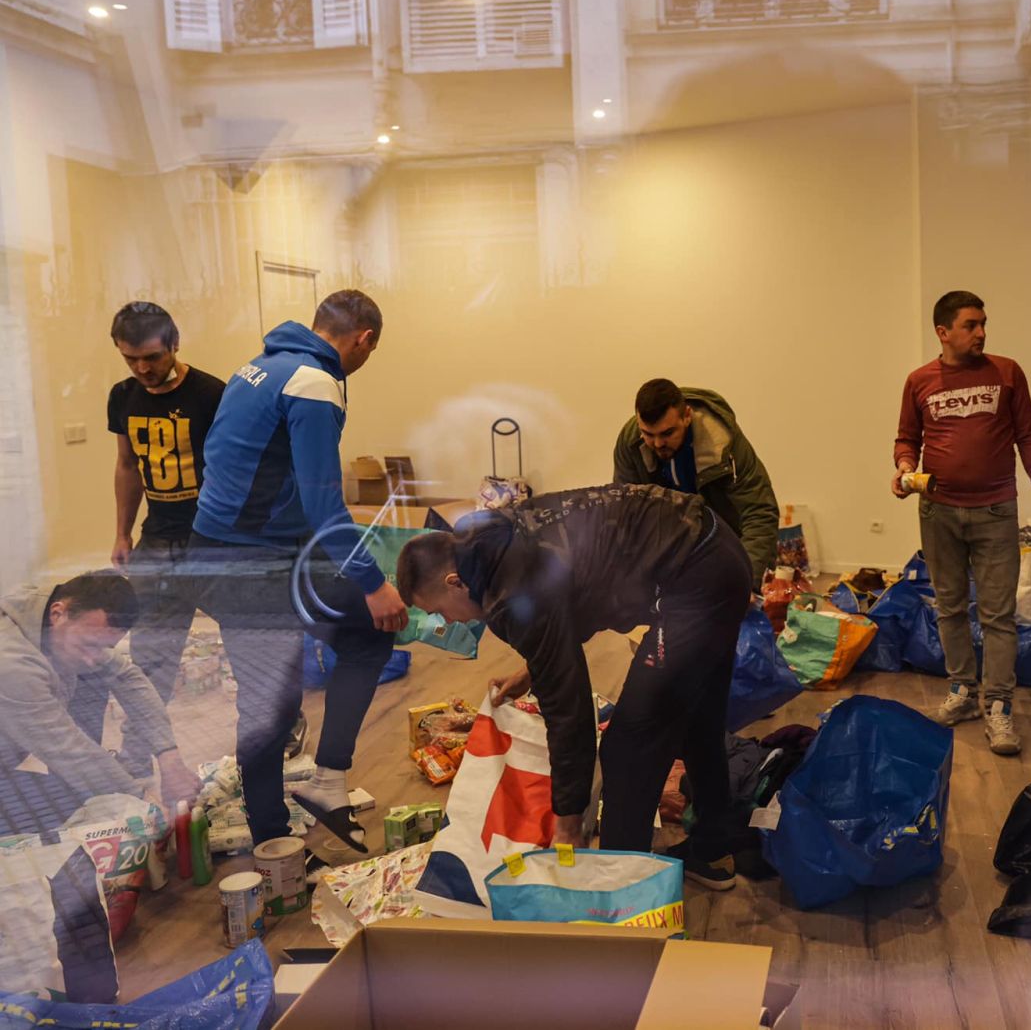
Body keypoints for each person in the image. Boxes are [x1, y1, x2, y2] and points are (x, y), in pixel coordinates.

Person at [395, 483, 747, 889]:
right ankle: (713, 850)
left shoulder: (509, 591)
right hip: (715, 550)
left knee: (629, 746)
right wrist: (535, 668)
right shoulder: (495, 538)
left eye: (438, 610)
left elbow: (569, 710)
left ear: (455, 582)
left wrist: (567, 821)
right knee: (697, 720)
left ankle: (618, 892)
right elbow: (569, 593)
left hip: (697, 579)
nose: (449, 622)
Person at [189, 289, 407, 853]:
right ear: (365, 339)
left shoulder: (259, 365)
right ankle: (272, 844)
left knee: (360, 636)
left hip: (257, 549)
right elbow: (325, 505)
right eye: (370, 351)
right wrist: (374, 582)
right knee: (271, 700)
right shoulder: (313, 381)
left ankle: (326, 783)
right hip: (244, 561)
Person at [893, 290, 1031, 756]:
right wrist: (906, 468)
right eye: (970, 325)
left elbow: (1029, 433)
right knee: (948, 607)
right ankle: (963, 693)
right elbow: (907, 438)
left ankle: (1000, 708)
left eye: (984, 323)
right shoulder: (919, 381)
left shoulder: (1007, 373)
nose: (981, 332)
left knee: (997, 615)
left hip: (995, 511)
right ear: (943, 332)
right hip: (938, 510)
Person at [105, 301, 227, 777]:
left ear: (174, 344)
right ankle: (137, 756)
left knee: (250, 638)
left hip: (212, 540)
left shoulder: (211, 394)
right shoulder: (122, 396)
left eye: (152, 358)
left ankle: (278, 730)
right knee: (149, 657)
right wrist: (121, 531)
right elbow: (127, 465)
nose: (142, 369)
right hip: (156, 541)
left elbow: (235, 471)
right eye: (130, 359)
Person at [0, 571, 200, 835]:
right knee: (62, 819)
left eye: (102, 647)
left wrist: (170, 760)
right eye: (88, 645)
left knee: (85, 801)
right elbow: (69, 749)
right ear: (58, 613)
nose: (93, 658)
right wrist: (146, 805)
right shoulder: (12, 664)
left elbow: (128, 677)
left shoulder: (50, 616)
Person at [613, 380, 779, 591]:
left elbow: (759, 513)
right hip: (673, 553)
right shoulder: (630, 445)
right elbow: (628, 517)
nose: (657, 444)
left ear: (687, 416)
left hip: (729, 544)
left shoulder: (724, 443)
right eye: (648, 434)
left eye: (667, 433)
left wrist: (745, 582)